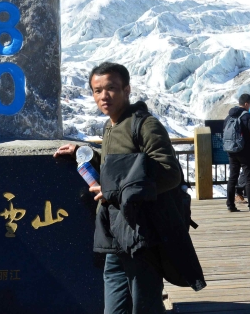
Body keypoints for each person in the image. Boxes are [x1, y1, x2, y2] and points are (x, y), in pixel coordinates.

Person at [53, 62, 204, 314]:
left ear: (127, 89)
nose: (103, 96)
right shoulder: (111, 125)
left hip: (141, 233)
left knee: (144, 304)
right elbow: (122, 168)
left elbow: (169, 173)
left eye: (111, 88)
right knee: (114, 308)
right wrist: (84, 153)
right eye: (97, 90)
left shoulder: (144, 125)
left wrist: (116, 191)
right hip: (114, 232)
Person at [224, 94, 250, 213]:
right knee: (249, 178)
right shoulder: (247, 116)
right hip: (246, 151)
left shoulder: (229, 117)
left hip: (231, 150)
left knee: (233, 177)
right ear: (247, 104)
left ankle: (230, 205)